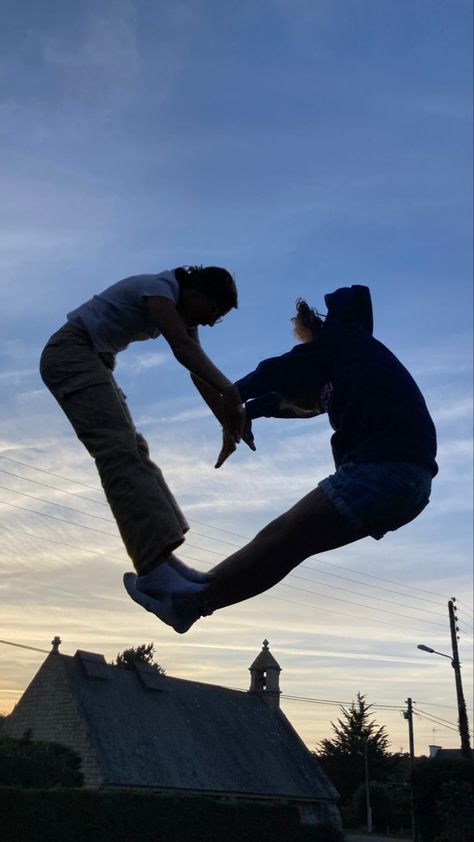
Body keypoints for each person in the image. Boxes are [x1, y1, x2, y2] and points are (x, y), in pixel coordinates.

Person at [123, 284, 438, 633]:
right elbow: (294, 404)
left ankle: (190, 600)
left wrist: (232, 397)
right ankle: (193, 594)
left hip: (384, 470)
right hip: (408, 483)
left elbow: (271, 373)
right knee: (288, 545)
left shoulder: (336, 345)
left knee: (283, 536)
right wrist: (251, 412)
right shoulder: (350, 365)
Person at [40, 265, 249, 598]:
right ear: (195, 291)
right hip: (70, 354)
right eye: (213, 311)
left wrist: (226, 419)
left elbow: (196, 365)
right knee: (118, 453)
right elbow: (182, 348)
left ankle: (163, 559)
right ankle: (152, 569)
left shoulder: (179, 309)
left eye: (218, 317)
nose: (211, 322)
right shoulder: (159, 289)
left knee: (135, 451)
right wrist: (232, 393)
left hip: (95, 359)